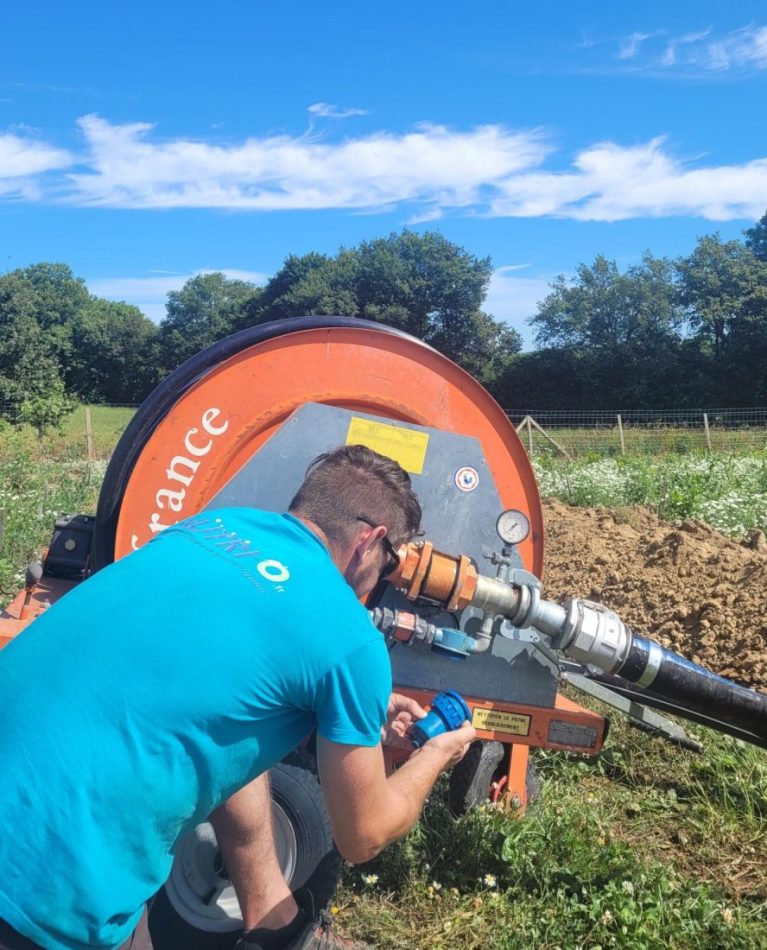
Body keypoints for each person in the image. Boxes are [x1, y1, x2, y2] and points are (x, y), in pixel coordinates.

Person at [0, 445, 476, 950]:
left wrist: (352, 709)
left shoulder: (211, 529)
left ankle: (276, 924)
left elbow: (213, 680)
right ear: (371, 540)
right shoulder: (351, 639)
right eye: (392, 561)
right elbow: (364, 835)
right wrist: (435, 754)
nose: (385, 575)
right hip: (46, 891)